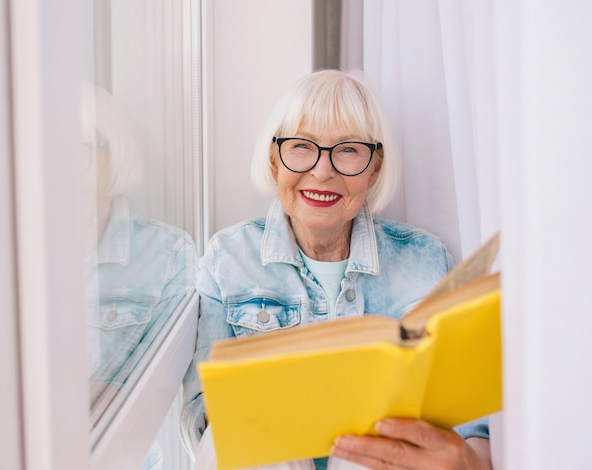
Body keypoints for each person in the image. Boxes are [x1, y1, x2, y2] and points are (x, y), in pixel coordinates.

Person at [180, 69, 491, 470]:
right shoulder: (229, 257)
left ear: (374, 168)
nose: (323, 171)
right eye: (301, 146)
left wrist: (465, 462)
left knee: (372, 445)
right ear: (275, 160)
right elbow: (200, 416)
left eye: (348, 150)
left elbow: (472, 435)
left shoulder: (425, 260)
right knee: (240, 430)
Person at [82, 83, 198, 469]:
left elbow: (139, 405)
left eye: (77, 149)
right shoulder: (0, 261)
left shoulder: (165, 256)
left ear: (113, 155)